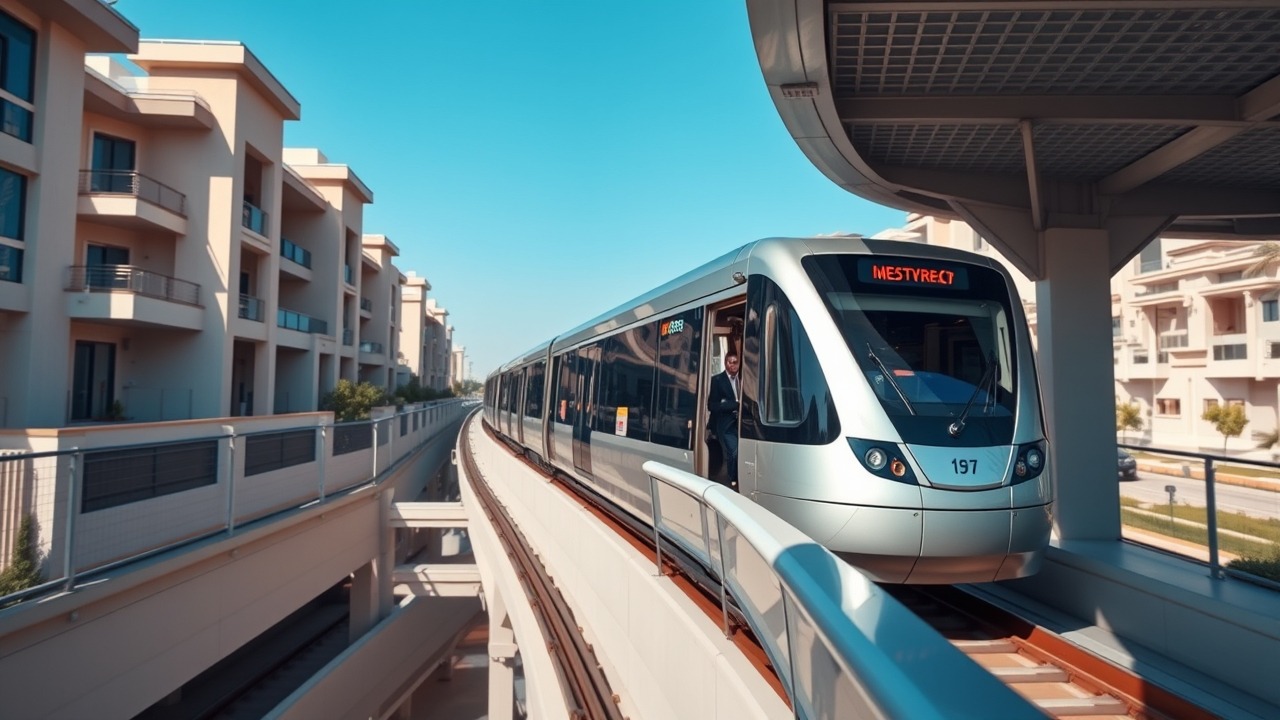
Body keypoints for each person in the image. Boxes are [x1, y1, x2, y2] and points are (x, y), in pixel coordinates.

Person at [707, 352, 741, 489]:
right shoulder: (717, 380)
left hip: (745, 421)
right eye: (729, 362)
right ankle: (733, 479)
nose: (732, 365)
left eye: (735, 362)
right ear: (726, 363)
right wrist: (733, 404)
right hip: (726, 423)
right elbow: (712, 405)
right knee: (733, 450)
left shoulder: (745, 377)